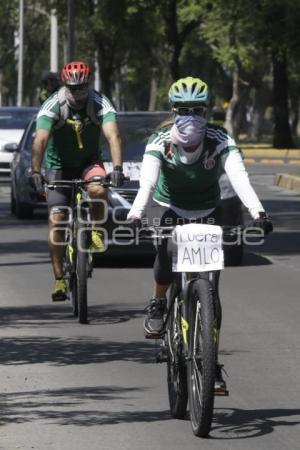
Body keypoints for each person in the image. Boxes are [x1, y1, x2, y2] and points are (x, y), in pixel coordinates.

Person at [127, 76, 273, 390]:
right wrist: (136, 213)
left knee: (211, 289)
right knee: (165, 258)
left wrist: (258, 212)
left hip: (208, 210)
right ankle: (158, 302)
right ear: (173, 110)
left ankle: (210, 363)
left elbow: (239, 178)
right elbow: (148, 183)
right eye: (183, 109)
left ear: (206, 111)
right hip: (168, 207)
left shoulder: (220, 139)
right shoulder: (160, 140)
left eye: (197, 109)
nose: (190, 116)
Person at [31, 61, 124, 301]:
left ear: (89, 84)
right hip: (57, 166)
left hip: (89, 163)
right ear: (65, 86)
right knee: (57, 219)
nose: (79, 93)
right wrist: (35, 171)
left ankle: (95, 229)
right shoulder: (53, 104)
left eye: (83, 87)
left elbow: (113, 135)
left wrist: (117, 168)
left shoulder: (100, 102)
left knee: (99, 188)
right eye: (73, 88)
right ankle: (60, 279)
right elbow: (40, 140)